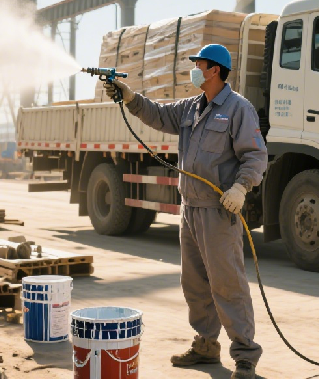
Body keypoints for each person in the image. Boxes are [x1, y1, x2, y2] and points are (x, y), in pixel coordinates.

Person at [105, 43, 268, 379]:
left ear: (215, 70)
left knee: (227, 283)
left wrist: (241, 187)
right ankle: (206, 345)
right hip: (190, 209)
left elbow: (255, 155)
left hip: (218, 211)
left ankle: (245, 355)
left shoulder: (238, 109)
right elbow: (159, 114)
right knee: (194, 283)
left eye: (199, 64)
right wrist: (130, 97)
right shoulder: (191, 108)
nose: (195, 68)